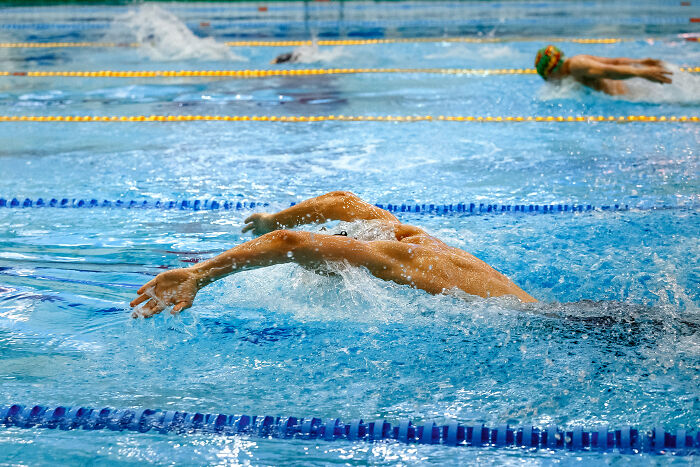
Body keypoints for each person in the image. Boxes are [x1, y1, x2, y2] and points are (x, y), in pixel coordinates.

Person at [130, 191, 537, 318]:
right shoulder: (409, 236)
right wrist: (273, 217)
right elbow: (343, 201)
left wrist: (199, 274)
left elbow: (291, 243)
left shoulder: (389, 255)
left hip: (543, 326)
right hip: (548, 312)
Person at [534, 45, 673, 95]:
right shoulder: (578, 59)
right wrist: (639, 62)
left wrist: (641, 72)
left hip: (626, 97)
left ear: (552, 71)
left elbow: (608, 71)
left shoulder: (576, 66)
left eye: (549, 78)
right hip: (628, 92)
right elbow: (614, 61)